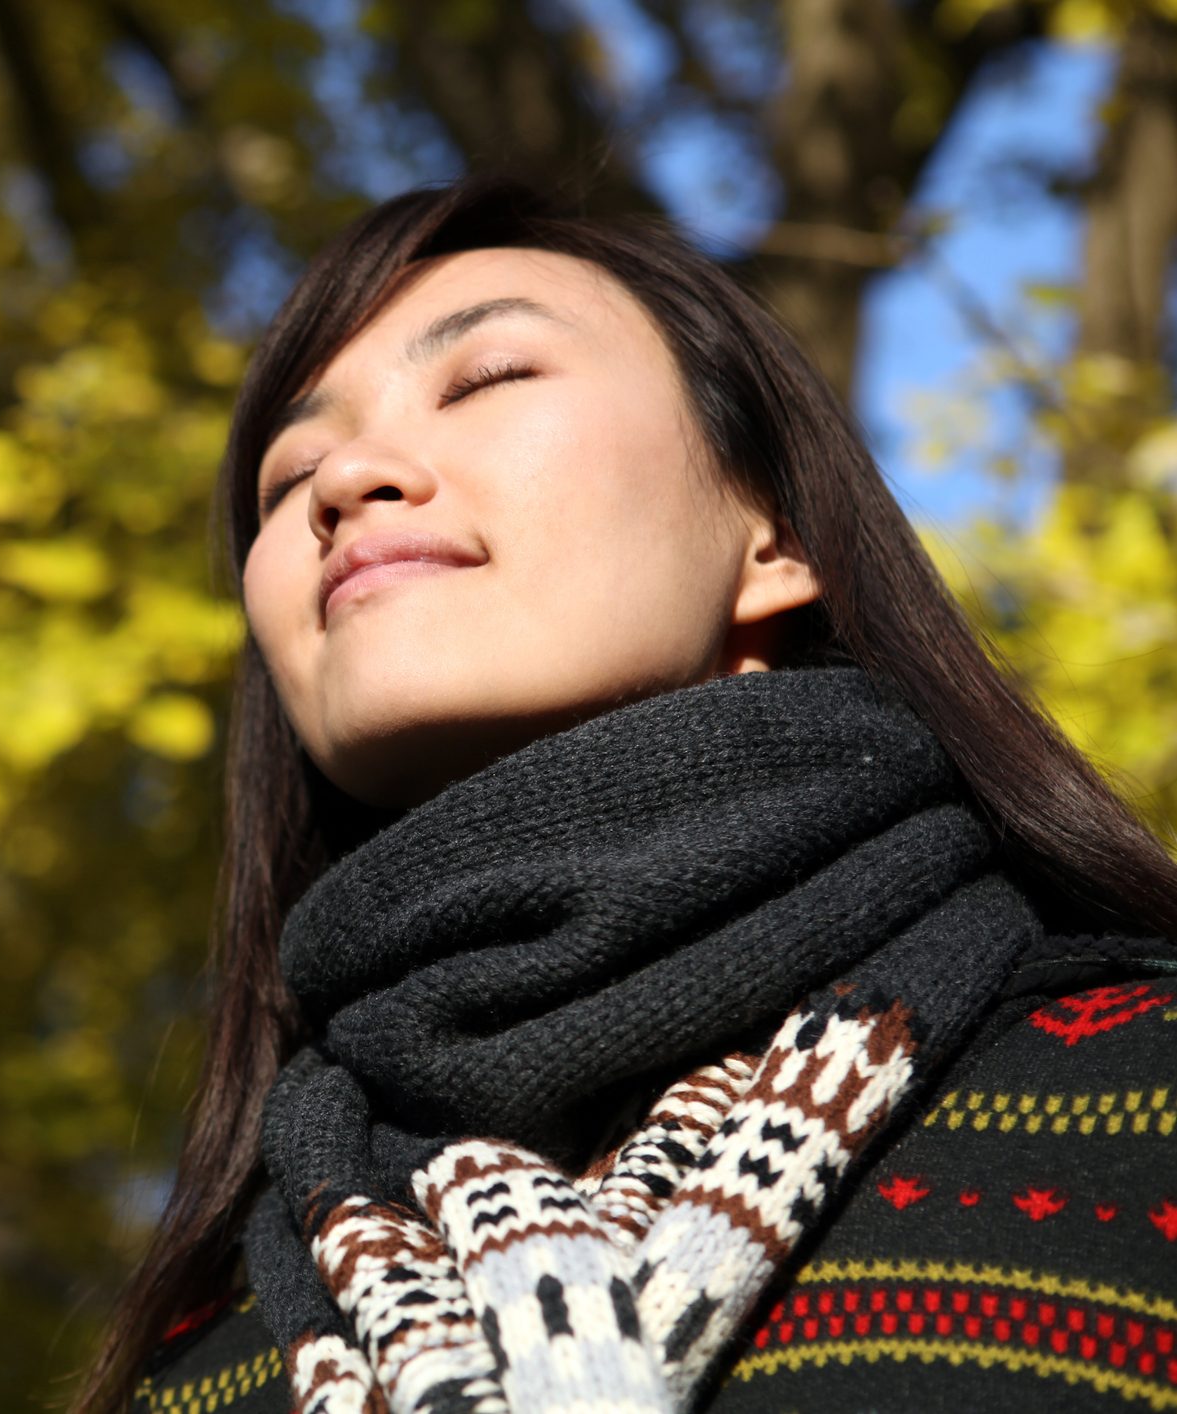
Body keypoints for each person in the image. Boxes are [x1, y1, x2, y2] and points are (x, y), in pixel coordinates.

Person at [69, 174, 1177, 1414]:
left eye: (486, 379)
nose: (346, 481)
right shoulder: (197, 1367)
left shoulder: (1141, 1110)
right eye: (289, 477)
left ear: (776, 534)